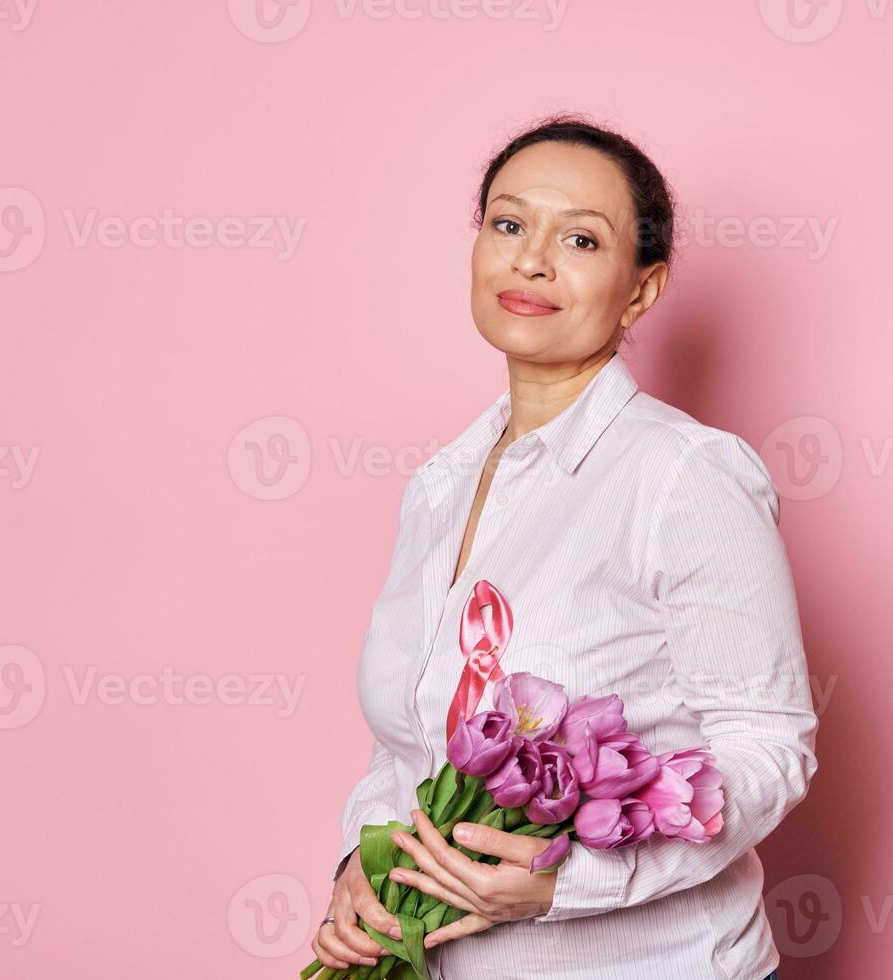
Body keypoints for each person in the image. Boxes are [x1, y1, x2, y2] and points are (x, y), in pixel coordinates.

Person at [311, 113, 815, 980]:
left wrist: (569, 882)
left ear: (641, 290)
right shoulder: (439, 485)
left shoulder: (682, 476)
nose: (531, 259)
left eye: (580, 239)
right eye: (508, 224)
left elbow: (768, 744)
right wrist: (362, 872)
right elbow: (408, 744)